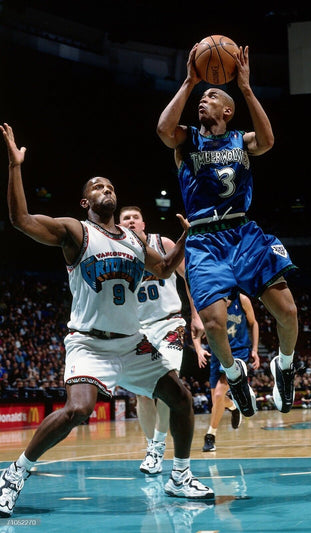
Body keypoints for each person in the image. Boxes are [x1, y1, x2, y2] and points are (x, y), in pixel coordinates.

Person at [0, 123, 214, 518]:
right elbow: (21, 219)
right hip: (89, 342)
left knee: (181, 398)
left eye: (110, 187)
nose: (106, 190)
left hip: (132, 343)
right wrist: (15, 167)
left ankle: (180, 475)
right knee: (79, 410)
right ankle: (15, 473)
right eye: (98, 187)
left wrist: (187, 236)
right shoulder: (76, 232)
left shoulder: (134, 241)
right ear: (85, 201)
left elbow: (165, 269)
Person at [156, 43, 298, 418]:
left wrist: (246, 88)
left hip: (243, 234)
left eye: (212, 96)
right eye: (201, 98)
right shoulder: (187, 140)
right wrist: (189, 82)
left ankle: (285, 366)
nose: (203, 101)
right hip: (204, 240)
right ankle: (234, 375)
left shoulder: (241, 140)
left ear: (227, 111)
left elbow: (268, 141)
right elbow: (163, 129)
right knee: (215, 323)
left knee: (287, 311)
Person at [118, 205, 204, 475]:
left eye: (135, 217)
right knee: (143, 395)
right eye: (126, 218)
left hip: (170, 323)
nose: (131, 221)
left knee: (168, 382)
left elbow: (189, 276)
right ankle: (151, 447)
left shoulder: (162, 243)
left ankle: (157, 447)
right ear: (119, 225)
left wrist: (196, 314)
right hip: (138, 329)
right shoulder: (116, 252)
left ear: (143, 224)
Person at [194, 291, 260, 452]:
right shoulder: (210, 300)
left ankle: (210, 435)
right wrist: (198, 349)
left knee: (218, 395)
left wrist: (255, 349)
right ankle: (233, 407)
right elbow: (195, 328)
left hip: (238, 352)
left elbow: (254, 323)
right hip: (217, 352)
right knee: (217, 400)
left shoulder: (242, 299)